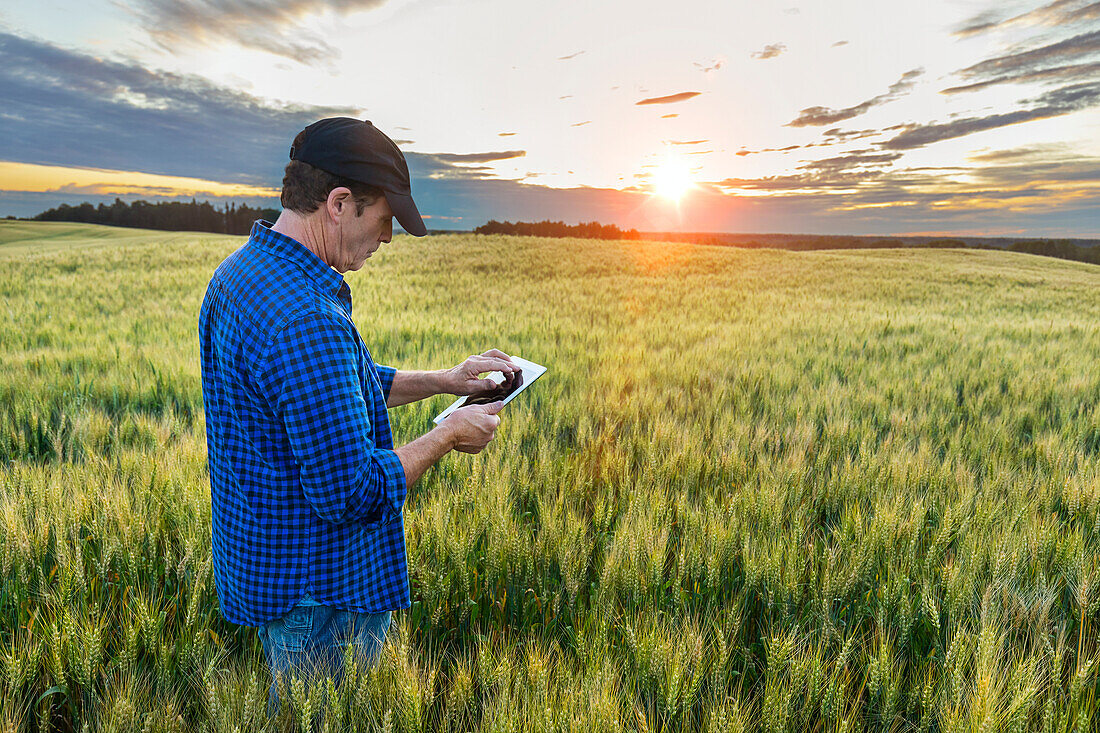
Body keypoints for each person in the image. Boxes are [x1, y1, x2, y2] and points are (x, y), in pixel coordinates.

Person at [197, 117, 518, 716]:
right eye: (384, 218)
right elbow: (351, 492)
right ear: (339, 203)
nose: (390, 237)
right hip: (323, 592)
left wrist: (443, 382)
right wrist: (448, 435)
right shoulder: (306, 318)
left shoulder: (241, 275)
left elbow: (330, 394)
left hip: (273, 569)